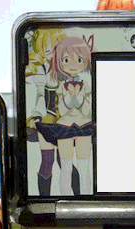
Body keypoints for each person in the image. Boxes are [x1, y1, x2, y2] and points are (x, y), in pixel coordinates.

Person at [35, 36, 94, 195]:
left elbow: (86, 110)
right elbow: (59, 106)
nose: (73, 64)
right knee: (59, 164)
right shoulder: (55, 81)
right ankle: (58, 200)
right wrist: (71, 96)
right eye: (66, 59)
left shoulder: (85, 84)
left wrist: (78, 96)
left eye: (79, 59)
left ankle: (83, 199)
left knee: (81, 166)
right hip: (60, 124)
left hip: (81, 125)